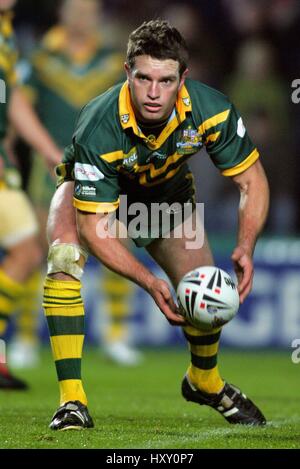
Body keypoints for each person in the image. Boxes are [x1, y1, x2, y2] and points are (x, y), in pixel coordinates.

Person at [43, 19, 269, 430]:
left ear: (183, 79)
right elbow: (94, 226)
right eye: (143, 77)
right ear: (127, 72)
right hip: (98, 199)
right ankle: (72, 400)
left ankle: (204, 380)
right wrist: (149, 282)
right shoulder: (99, 122)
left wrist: (246, 245)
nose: (152, 92)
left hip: (165, 201)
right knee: (64, 255)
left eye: (165, 81)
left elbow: (252, 180)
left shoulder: (211, 109)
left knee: (206, 288)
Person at [10, 0, 142, 368]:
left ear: (98, 17)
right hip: (49, 164)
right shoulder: (37, 60)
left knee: (117, 241)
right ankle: (23, 338)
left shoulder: (115, 62)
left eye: (89, 10)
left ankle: (117, 335)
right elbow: (17, 108)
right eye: (76, 9)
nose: (82, 17)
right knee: (38, 249)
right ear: (61, 14)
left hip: (104, 164)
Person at [0, 0, 62, 388]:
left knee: (27, 250)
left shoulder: (6, 32)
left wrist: (49, 151)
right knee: (26, 249)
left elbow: (14, 99)